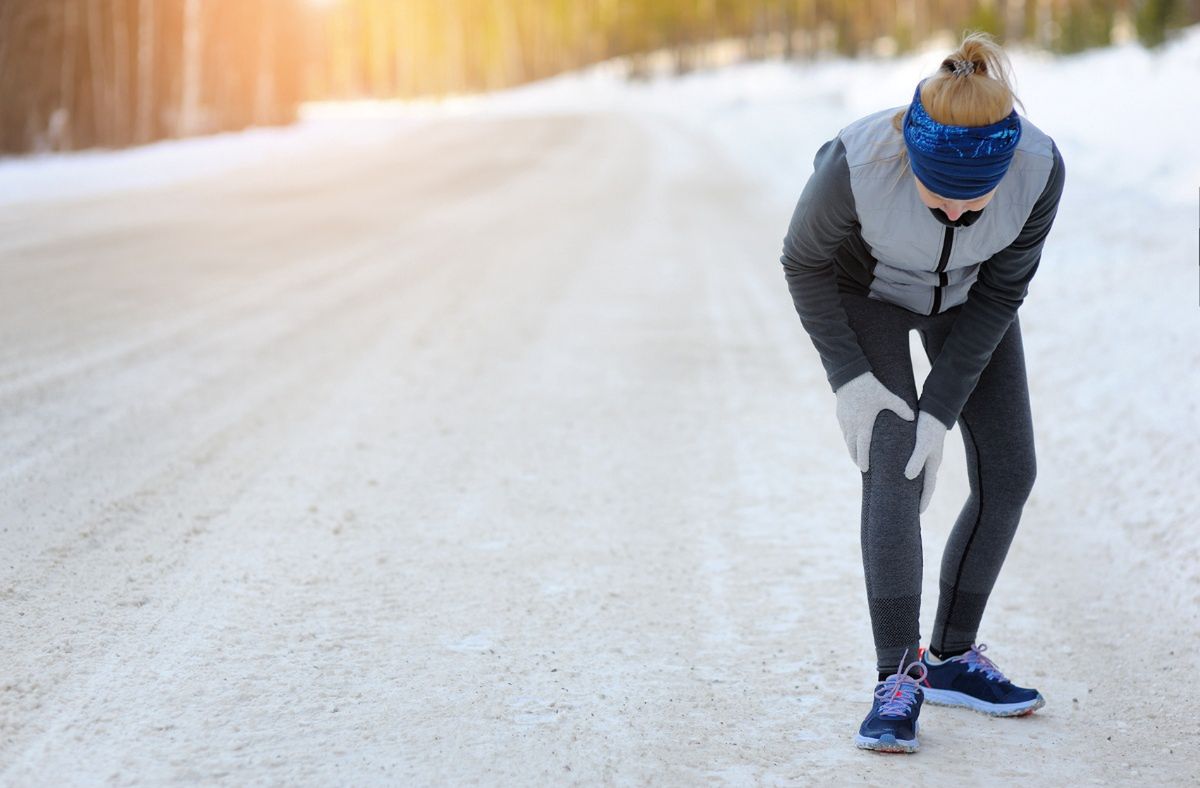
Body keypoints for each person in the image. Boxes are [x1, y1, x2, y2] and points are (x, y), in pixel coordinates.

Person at [778, 31, 1066, 753]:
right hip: (865, 292)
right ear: (910, 159)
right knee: (896, 462)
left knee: (1011, 472)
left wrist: (942, 406)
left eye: (976, 206)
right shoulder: (857, 163)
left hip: (970, 302)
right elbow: (802, 262)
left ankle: (951, 659)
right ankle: (896, 676)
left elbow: (1003, 291)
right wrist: (850, 380)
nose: (959, 217)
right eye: (943, 201)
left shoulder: (1039, 170)